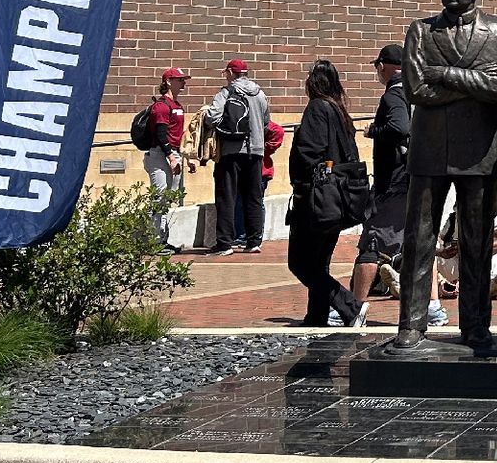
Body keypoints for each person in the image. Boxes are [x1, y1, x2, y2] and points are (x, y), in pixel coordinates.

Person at [391, 0, 497, 355]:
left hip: (479, 153)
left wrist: (445, 75)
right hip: (430, 150)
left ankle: (476, 325)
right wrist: (474, 85)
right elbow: (415, 89)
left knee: (478, 242)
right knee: (418, 241)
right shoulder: (420, 31)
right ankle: (412, 325)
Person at [345, 45, 448, 327]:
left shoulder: (394, 91)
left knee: (372, 244)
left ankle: (354, 309)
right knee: (421, 242)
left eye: (378, 65)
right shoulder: (421, 91)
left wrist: (373, 130)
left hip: (396, 182)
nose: (377, 70)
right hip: (422, 177)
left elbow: (400, 128)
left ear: (387, 66)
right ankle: (434, 307)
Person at [286, 60, 367, 328]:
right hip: (337, 199)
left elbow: (310, 151)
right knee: (319, 262)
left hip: (316, 199)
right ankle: (316, 317)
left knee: (299, 263)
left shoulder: (317, 108)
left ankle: (351, 306)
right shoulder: (339, 110)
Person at [204, 58, 271, 256]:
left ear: (231, 74)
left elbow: (212, 117)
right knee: (254, 197)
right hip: (256, 151)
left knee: (227, 196)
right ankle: (254, 241)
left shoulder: (226, 93)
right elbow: (267, 122)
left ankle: (225, 243)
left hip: (231, 151)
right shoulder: (260, 94)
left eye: (226, 73)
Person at [144, 68, 189, 252]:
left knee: (168, 198)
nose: (183, 82)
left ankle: (163, 240)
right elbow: (161, 135)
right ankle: (155, 242)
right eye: (179, 79)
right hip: (159, 156)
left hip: (174, 154)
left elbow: (179, 135)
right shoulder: (162, 106)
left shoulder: (177, 106)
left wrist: (186, 157)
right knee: (159, 197)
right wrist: (171, 156)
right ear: (169, 81)